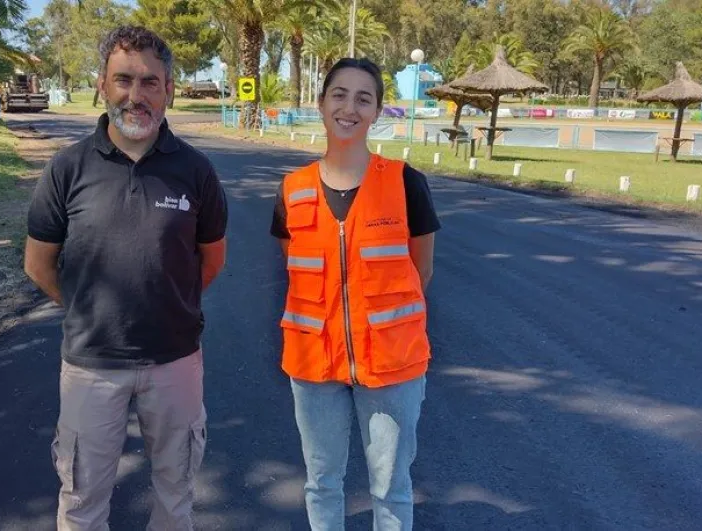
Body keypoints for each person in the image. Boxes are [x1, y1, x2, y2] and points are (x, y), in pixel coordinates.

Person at [24, 25, 228, 531]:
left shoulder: (197, 171)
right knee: (81, 499)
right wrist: (86, 311)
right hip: (91, 364)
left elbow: (212, 258)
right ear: (101, 84)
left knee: (176, 493)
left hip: (176, 361)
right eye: (123, 80)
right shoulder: (67, 169)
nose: (135, 96)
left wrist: (167, 305)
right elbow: (38, 264)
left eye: (149, 83)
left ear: (169, 90)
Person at [270, 57, 440, 531]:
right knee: (322, 481)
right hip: (313, 365)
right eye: (339, 94)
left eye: (364, 98)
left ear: (378, 111)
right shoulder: (293, 189)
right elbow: (293, 261)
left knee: (390, 485)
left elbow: (419, 270)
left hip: (391, 365)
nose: (349, 107)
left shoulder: (406, 184)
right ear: (321, 104)